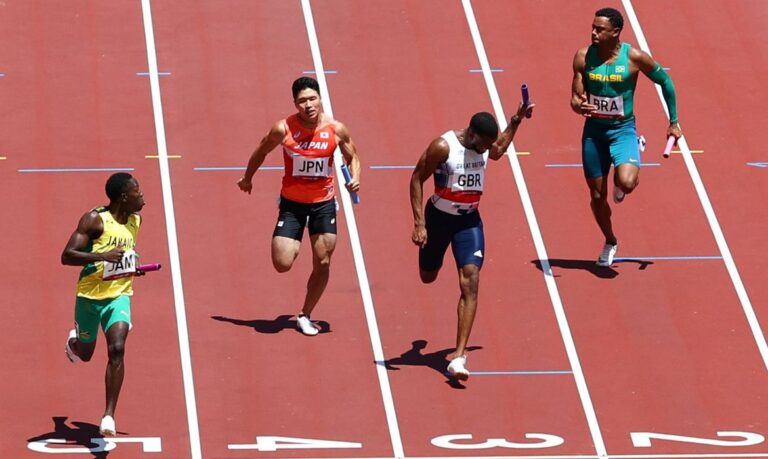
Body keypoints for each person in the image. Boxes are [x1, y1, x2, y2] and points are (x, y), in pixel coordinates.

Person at [410, 102, 533, 381]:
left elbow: (499, 149)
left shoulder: (485, 144)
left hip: (469, 222)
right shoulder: (443, 147)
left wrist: (516, 119)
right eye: (485, 144)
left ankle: (459, 356)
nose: (488, 149)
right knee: (427, 276)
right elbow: (416, 179)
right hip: (438, 220)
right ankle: (431, 257)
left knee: (471, 279)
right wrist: (419, 223)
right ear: (472, 134)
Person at [237, 76, 360, 336]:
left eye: (312, 99)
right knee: (282, 263)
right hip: (292, 204)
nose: (308, 105)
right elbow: (260, 151)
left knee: (323, 261)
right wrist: (248, 177)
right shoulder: (283, 129)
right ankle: (293, 239)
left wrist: (355, 177)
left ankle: (305, 314)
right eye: (302, 101)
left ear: (320, 98)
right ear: (295, 103)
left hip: (323, 204)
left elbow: (353, 156)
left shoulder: (336, 129)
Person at [571, 7, 681, 266]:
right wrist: (579, 105)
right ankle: (610, 241)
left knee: (627, 183)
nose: (593, 33)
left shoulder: (634, 57)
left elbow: (665, 81)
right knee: (597, 196)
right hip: (594, 133)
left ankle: (628, 165)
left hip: (622, 130)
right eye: (593, 27)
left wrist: (673, 122)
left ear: (616, 32)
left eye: (600, 29)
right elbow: (575, 99)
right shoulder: (583, 57)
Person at [61, 172, 145, 436]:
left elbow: (124, 257)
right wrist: (105, 255)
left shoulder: (135, 220)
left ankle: (108, 415)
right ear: (123, 197)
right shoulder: (95, 220)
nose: (142, 196)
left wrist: (130, 267)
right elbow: (67, 256)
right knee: (86, 354)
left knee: (117, 348)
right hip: (89, 296)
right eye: (137, 191)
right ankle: (73, 343)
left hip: (118, 294)